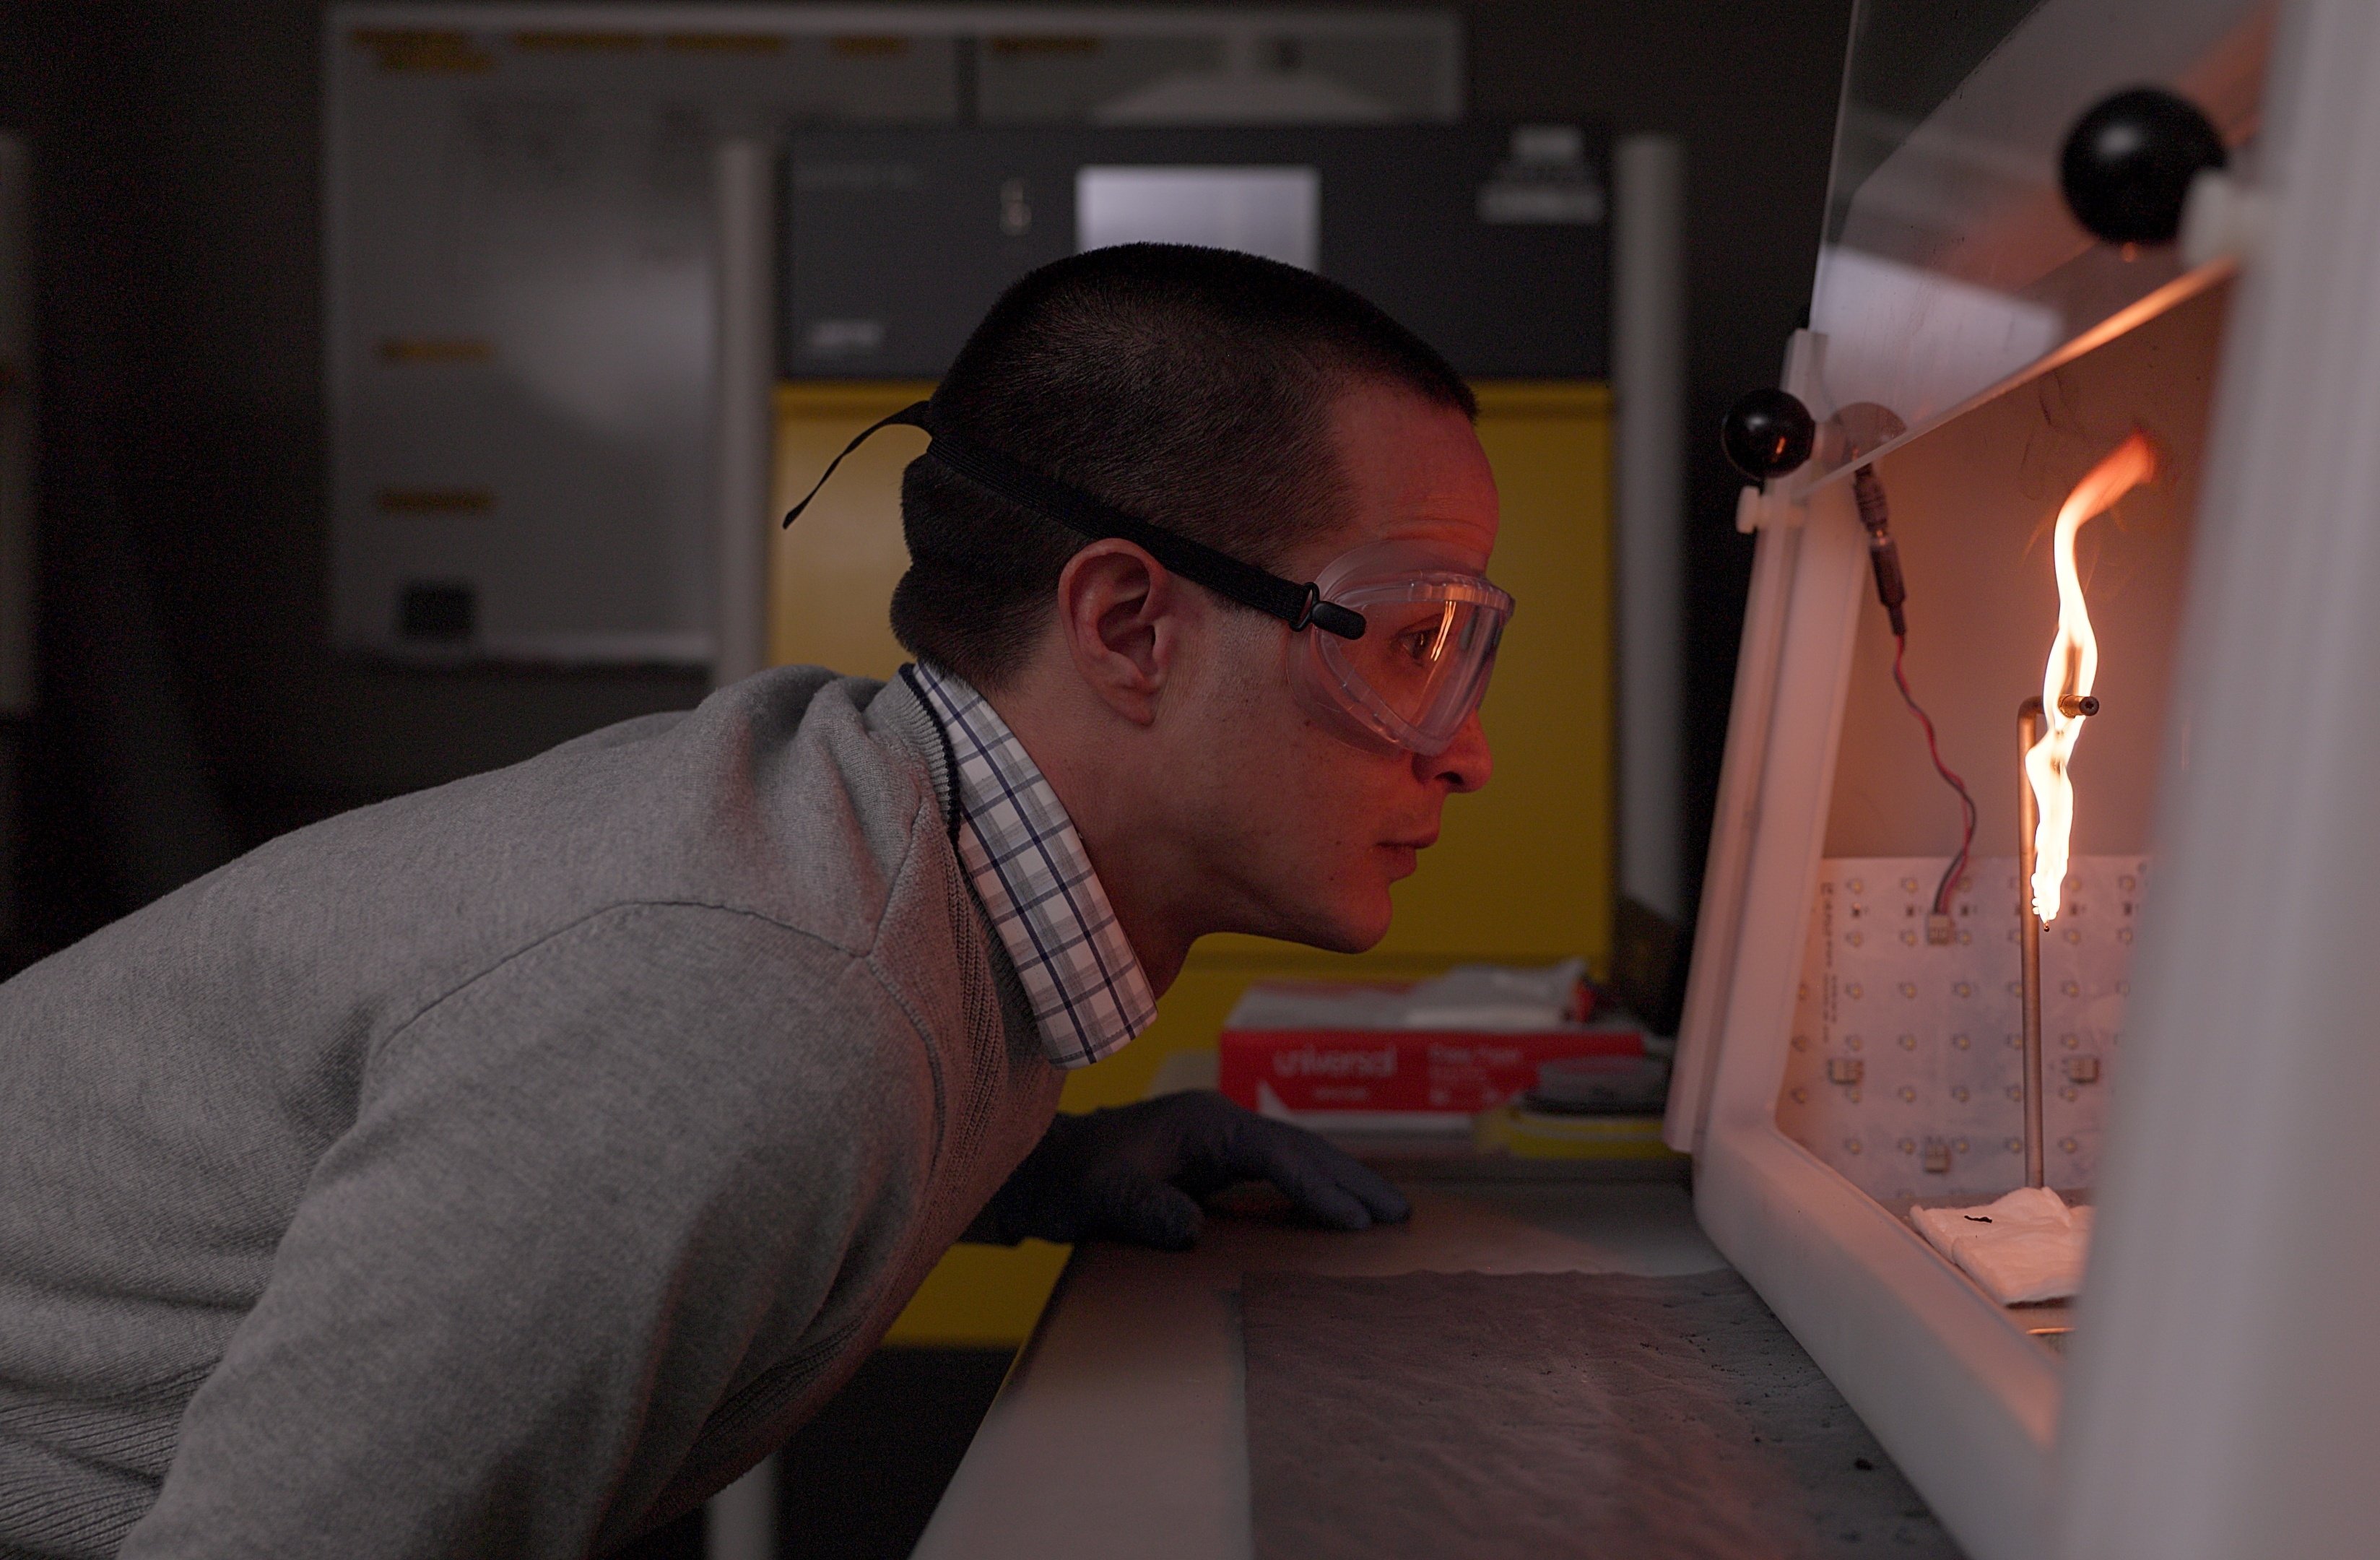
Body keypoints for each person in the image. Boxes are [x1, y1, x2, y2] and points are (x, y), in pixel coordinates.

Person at [0, 243, 1512, 1557]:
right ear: (1128, 628)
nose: (1474, 753)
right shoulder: (746, 1013)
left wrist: (1030, 1167)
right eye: (1410, 642)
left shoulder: (868, 862)